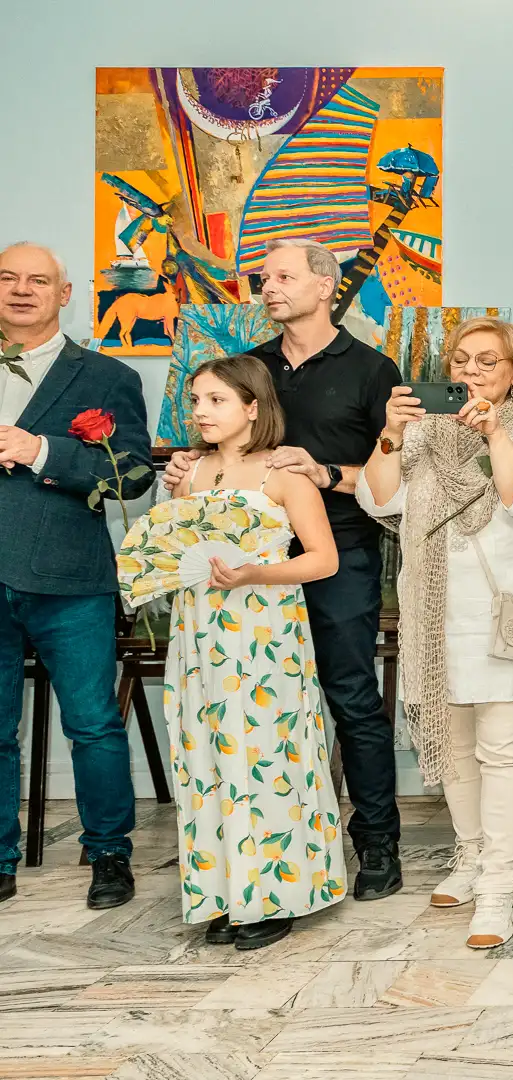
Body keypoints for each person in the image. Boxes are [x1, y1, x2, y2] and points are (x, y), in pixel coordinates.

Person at [164, 238, 404, 899]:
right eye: (263, 278)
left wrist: (325, 472)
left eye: (283, 276)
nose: (268, 287)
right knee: (259, 710)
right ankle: (268, 847)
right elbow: (221, 446)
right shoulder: (251, 367)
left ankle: (377, 844)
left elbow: (394, 476)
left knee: (351, 699)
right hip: (246, 567)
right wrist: (188, 462)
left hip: (336, 556)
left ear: (326, 286)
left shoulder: (372, 369)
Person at [360, 317, 513, 946]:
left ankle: (499, 884)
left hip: (505, 615)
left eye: (487, 360)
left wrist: (494, 432)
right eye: (461, 360)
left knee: (503, 749)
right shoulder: (421, 433)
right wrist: (391, 434)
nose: (471, 370)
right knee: (454, 749)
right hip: (434, 619)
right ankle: (471, 854)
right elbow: (378, 501)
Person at [143, 355, 345, 949]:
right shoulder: (189, 473)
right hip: (198, 633)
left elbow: (323, 559)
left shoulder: (282, 474)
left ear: (253, 407)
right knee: (206, 756)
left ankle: (275, 896)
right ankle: (225, 892)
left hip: (264, 633)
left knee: (266, 756)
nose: (201, 412)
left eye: (217, 400)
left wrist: (256, 572)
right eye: (196, 400)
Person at [0, 242, 153, 909]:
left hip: (70, 579)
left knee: (92, 723)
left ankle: (110, 854)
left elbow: (134, 476)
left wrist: (42, 451)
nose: (21, 289)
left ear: (64, 295)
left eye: (38, 280)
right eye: (8, 278)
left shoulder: (106, 376)